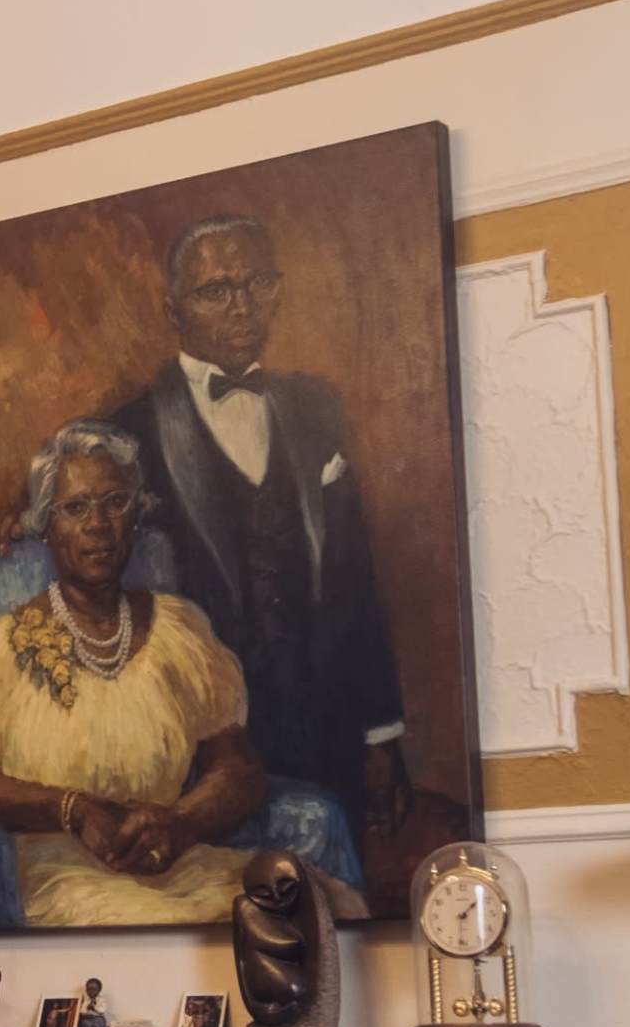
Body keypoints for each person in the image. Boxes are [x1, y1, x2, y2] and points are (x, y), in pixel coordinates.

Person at [70, 214, 411, 834]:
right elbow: (67, 527)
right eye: (216, 290)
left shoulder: (316, 406)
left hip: (325, 728)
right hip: (200, 752)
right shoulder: (128, 432)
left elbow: (352, 580)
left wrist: (380, 735)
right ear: (175, 309)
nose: (243, 308)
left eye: (258, 284)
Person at [0, 422, 267, 926]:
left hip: (177, 864)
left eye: (114, 502)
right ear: (45, 524)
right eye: (75, 508)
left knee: (289, 908)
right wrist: (71, 809)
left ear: (135, 514)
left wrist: (181, 821)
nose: (98, 524)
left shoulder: (181, 630)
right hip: (66, 879)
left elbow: (240, 769)